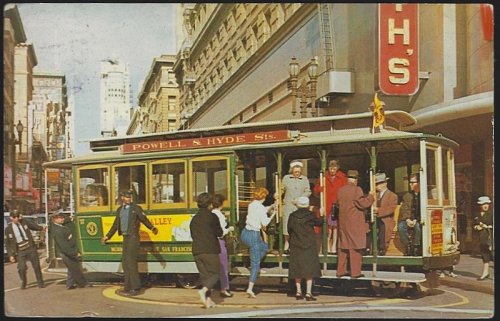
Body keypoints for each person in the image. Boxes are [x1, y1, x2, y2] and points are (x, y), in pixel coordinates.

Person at [101, 189, 158, 296]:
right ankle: (127, 287)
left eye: (130, 197)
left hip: (133, 237)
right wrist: (107, 236)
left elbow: (144, 219)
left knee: (131, 262)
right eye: (127, 197)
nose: (129, 199)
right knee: (125, 263)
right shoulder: (120, 210)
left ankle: (136, 288)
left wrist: (152, 228)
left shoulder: (136, 208)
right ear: (122, 198)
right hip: (125, 238)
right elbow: (115, 225)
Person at [336, 170, 374, 278]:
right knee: (355, 247)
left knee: (343, 247)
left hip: (343, 222)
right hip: (354, 222)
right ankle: (355, 272)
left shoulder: (341, 190)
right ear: (356, 179)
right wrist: (371, 196)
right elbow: (363, 204)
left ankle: (340, 271)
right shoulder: (357, 190)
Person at [240, 187, 277, 298]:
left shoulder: (252, 204)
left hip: (245, 233)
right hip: (254, 236)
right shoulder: (260, 208)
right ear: (264, 197)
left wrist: (271, 206)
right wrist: (274, 213)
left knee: (265, 247)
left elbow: (262, 209)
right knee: (256, 264)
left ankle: (253, 265)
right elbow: (264, 222)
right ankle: (250, 289)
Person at [190, 192, 223, 308]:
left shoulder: (194, 219)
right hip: (210, 250)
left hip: (197, 251)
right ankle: (203, 291)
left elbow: (193, 235)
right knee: (215, 274)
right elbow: (219, 233)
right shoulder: (212, 216)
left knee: (205, 277)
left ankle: (208, 300)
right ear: (209, 204)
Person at [288, 196, 323, 301]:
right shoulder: (310, 215)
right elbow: (319, 223)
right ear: (307, 205)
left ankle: (298, 292)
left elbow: (289, 229)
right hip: (309, 244)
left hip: (296, 243)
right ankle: (308, 293)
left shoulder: (292, 216)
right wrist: (321, 214)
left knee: (297, 268)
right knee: (309, 269)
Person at [4, 210, 46, 289]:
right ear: (11, 218)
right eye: (14, 217)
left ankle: (40, 282)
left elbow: (34, 227)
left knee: (36, 266)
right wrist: (11, 255)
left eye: (17, 217)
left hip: (30, 247)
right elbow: (8, 243)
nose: (16, 219)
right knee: (21, 268)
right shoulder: (8, 229)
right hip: (20, 250)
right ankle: (24, 281)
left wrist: (42, 228)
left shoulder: (24, 222)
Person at [313, 159, 347, 254]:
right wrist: (319, 189)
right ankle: (327, 246)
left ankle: (334, 246)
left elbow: (345, 191)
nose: (332, 170)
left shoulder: (342, 178)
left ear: (337, 168)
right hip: (326, 205)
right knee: (328, 228)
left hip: (336, 206)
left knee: (335, 227)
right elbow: (316, 191)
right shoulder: (323, 177)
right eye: (331, 168)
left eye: (334, 168)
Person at [50, 212, 92, 289]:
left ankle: (69, 284)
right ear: (54, 219)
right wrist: (74, 253)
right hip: (67, 252)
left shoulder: (60, 226)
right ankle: (83, 283)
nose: (62, 219)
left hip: (68, 251)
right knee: (75, 268)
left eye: (62, 217)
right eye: (60, 218)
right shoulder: (58, 230)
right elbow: (64, 246)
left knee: (71, 268)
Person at [282, 160, 311, 253]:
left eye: (299, 171)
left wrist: (301, 198)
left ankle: (295, 245)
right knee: (287, 225)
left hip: (299, 206)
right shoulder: (286, 178)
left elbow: (308, 191)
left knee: (298, 226)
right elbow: (281, 189)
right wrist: (277, 194)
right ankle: (287, 244)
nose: (297, 173)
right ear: (292, 170)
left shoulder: (305, 179)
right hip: (288, 206)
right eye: (295, 171)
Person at [211, 193, 235, 298]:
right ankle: (224, 289)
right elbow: (221, 232)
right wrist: (229, 229)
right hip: (219, 242)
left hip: (211, 242)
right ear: (221, 204)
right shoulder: (219, 215)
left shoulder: (211, 213)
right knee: (223, 266)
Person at [373, 172, 398, 256]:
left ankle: (382, 249)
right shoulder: (375, 195)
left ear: (385, 183)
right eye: (376, 184)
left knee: (383, 227)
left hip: (386, 220)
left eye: (379, 184)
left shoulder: (392, 195)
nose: (377, 186)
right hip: (376, 218)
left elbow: (390, 209)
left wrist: (378, 211)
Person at [398, 173, 422, 256]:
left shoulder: (424, 195)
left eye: (413, 182)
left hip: (419, 220)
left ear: (419, 183)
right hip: (409, 219)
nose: (410, 184)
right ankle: (408, 246)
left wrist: (416, 220)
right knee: (401, 226)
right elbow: (404, 209)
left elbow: (422, 210)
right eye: (410, 182)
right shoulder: (407, 195)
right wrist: (407, 219)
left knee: (418, 227)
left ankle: (416, 247)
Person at [473, 196, 493, 280]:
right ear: (480, 205)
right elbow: (474, 224)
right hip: (482, 238)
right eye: (483, 204)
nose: (485, 206)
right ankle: (485, 273)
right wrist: (476, 227)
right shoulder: (477, 214)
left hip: (491, 237)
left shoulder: (492, 214)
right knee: (485, 255)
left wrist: (487, 226)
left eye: (487, 204)